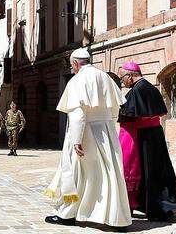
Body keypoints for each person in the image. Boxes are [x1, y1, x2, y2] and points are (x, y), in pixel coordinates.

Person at [44, 48, 131, 230]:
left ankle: (68, 214)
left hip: (85, 133)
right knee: (109, 173)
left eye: (71, 65)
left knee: (77, 173)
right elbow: (115, 108)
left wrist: (76, 140)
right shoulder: (106, 77)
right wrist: (108, 127)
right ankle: (117, 219)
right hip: (107, 132)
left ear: (75, 63)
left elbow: (78, 114)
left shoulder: (77, 80)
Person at [118, 61, 176, 221]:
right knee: (157, 171)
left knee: (142, 172)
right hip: (155, 135)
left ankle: (148, 207)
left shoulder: (137, 90)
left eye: (123, 78)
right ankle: (158, 206)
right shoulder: (150, 87)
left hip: (142, 137)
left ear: (130, 75)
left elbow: (130, 118)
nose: (123, 82)